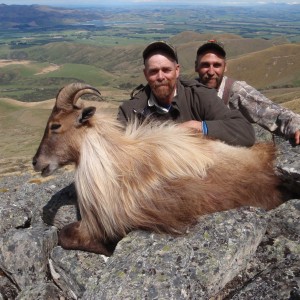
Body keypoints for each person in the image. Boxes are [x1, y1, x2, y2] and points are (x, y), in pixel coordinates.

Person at [117, 41, 255, 147]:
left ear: (177, 71)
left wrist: (199, 127)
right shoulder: (130, 110)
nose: (160, 77)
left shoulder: (199, 96)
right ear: (145, 74)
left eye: (166, 70)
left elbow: (245, 132)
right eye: (153, 71)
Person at [195, 39, 300, 145]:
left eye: (217, 65)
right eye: (205, 65)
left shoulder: (236, 91)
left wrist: (296, 126)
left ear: (225, 67)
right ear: (196, 66)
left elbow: (271, 111)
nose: (211, 72)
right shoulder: (188, 89)